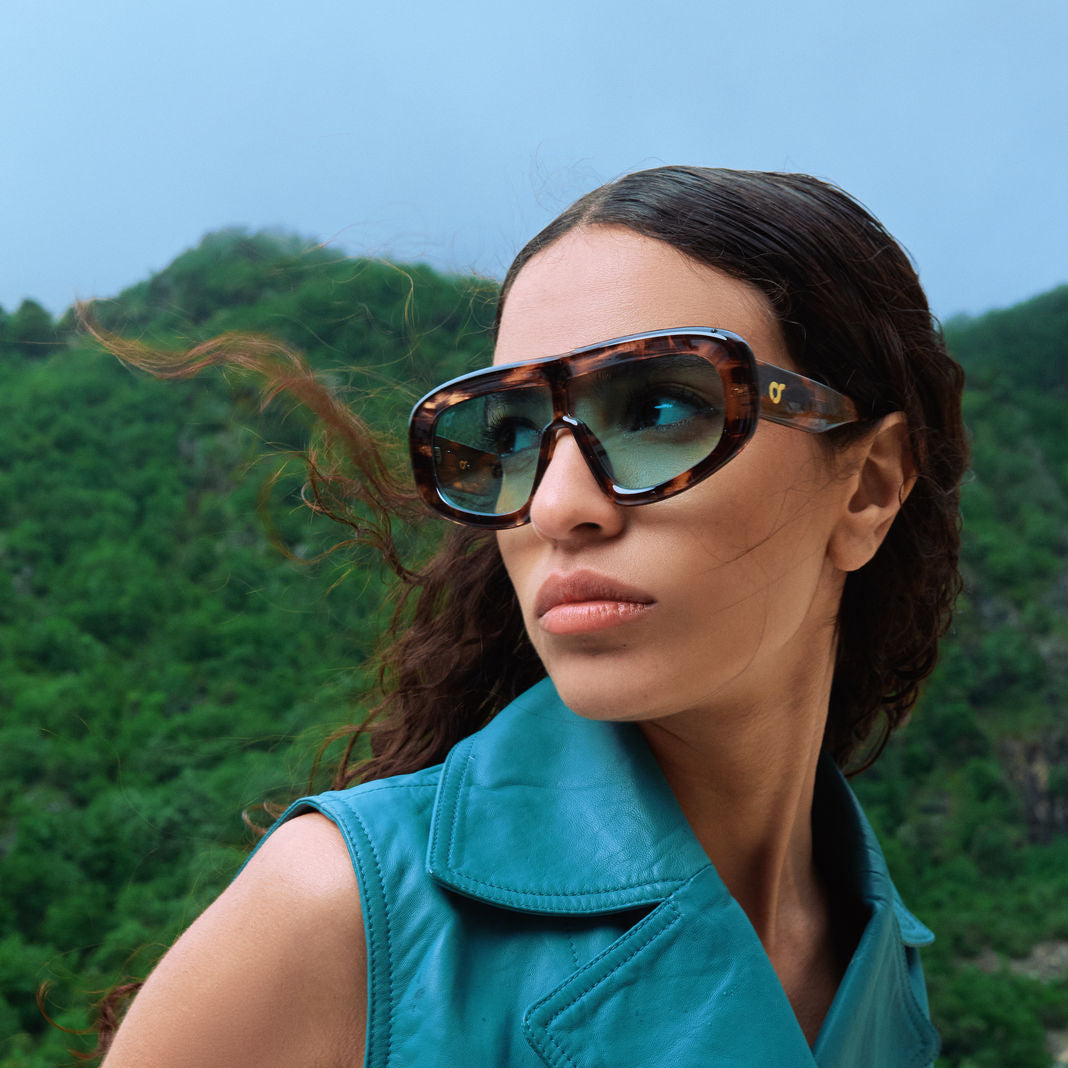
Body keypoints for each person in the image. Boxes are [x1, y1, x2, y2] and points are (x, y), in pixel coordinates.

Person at [97, 166, 967, 1067]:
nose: (554, 506)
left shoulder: (876, 959)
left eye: (660, 408)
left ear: (868, 487)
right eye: (512, 435)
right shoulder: (336, 911)